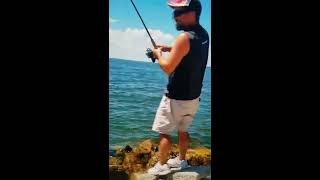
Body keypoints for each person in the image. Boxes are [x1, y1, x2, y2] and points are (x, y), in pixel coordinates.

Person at [147, 0, 210, 176]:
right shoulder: (203, 35)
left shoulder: (184, 38)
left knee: (164, 132)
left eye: (178, 12)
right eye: (174, 12)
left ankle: (162, 165)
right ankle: (182, 161)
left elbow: (167, 68)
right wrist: (167, 48)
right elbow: (188, 50)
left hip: (175, 97)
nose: (174, 17)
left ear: (193, 12)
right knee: (183, 130)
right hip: (193, 98)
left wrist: (158, 55)